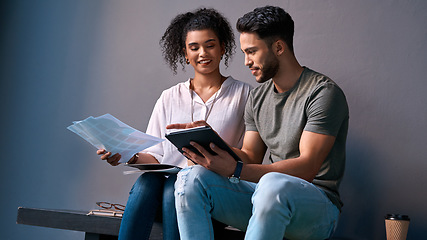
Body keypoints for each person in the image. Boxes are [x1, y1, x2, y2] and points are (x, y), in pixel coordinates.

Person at [168, 5, 349, 240]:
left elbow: (307, 167)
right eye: (244, 53)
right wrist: (210, 143)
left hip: (318, 208)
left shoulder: (323, 93)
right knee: (190, 178)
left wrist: (235, 170)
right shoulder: (257, 97)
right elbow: (251, 156)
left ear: (279, 47)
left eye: (252, 52)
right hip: (267, 198)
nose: (246, 62)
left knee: (273, 184)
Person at [97, 8, 252, 240]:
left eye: (210, 45)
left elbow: (250, 159)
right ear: (185, 53)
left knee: (174, 187)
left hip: (214, 197)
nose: (203, 53)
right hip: (164, 198)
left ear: (223, 47)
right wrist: (128, 154)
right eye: (194, 47)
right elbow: (155, 156)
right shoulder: (169, 97)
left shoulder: (244, 95)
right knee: (148, 181)